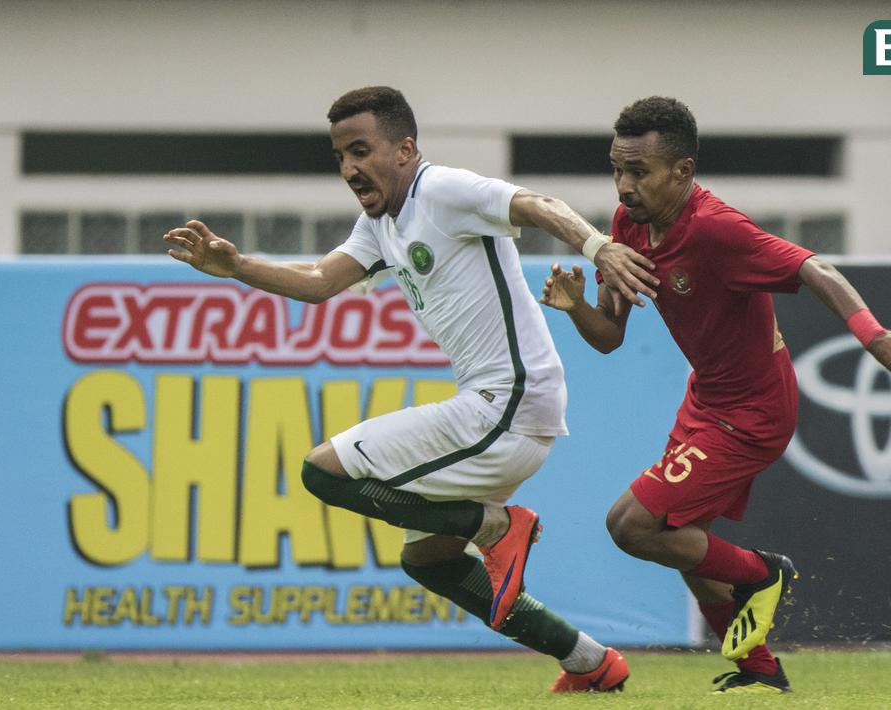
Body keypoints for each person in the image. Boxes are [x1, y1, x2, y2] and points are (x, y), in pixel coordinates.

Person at [165, 86, 659, 692]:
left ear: (404, 149)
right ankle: (590, 662)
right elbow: (321, 281)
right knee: (428, 561)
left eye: (360, 150)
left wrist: (598, 245)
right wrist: (236, 267)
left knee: (322, 472)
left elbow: (537, 204)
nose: (349, 168)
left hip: (508, 403)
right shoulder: (380, 224)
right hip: (496, 410)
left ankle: (494, 527)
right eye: (341, 155)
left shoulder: (443, 190)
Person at [540, 96, 891, 695]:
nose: (624, 186)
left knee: (630, 524)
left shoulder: (717, 229)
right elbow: (609, 339)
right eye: (617, 169)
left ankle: (762, 573)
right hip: (706, 400)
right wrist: (575, 310)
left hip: (754, 411)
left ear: (682, 171)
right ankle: (760, 668)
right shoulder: (627, 229)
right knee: (680, 543)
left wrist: (874, 337)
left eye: (638, 172)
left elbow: (816, 269)